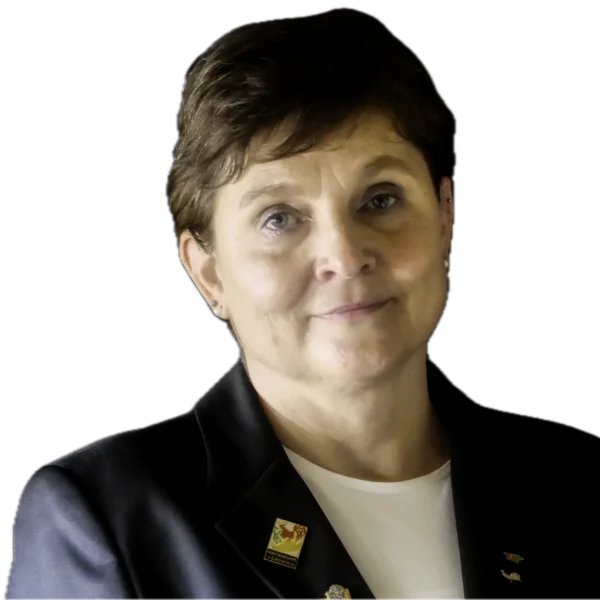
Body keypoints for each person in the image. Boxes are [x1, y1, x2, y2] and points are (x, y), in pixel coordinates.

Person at [6, 8, 598, 600]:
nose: (345, 255)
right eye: (279, 218)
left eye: (382, 199)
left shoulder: (577, 483)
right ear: (209, 273)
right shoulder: (107, 517)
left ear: (444, 221)